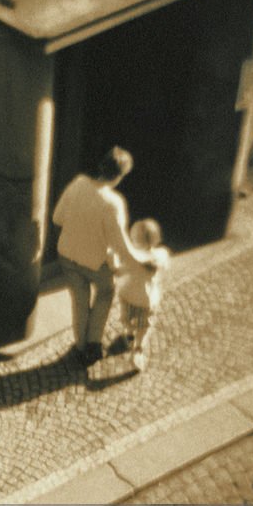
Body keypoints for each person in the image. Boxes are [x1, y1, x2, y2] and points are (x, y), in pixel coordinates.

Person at [52, 146, 150, 366]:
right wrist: (142, 260)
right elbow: (121, 245)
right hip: (95, 262)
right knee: (106, 292)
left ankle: (80, 346)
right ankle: (93, 344)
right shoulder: (113, 203)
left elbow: (57, 218)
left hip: (67, 255)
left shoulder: (78, 184)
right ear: (120, 176)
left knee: (79, 300)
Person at [116, 218, 170, 371]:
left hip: (127, 295)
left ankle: (129, 333)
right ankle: (138, 348)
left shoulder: (130, 257)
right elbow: (164, 268)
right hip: (147, 299)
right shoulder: (162, 254)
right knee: (144, 325)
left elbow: (119, 270)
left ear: (134, 239)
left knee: (126, 318)